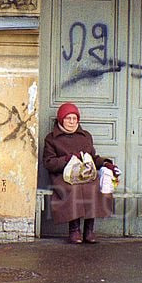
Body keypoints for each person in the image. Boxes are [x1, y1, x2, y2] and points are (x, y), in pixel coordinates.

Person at [42, 102, 120, 244]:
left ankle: (89, 230)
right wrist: (67, 159)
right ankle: (74, 230)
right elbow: (49, 163)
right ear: (61, 119)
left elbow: (93, 158)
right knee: (74, 189)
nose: (72, 122)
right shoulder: (51, 138)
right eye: (68, 118)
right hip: (64, 175)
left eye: (75, 118)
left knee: (93, 187)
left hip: (85, 174)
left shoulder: (85, 136)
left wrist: (106, 164)